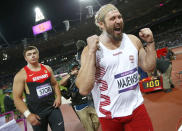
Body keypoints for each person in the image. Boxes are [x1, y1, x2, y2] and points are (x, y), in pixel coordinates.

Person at [76, 4, 156, 131]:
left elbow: (149, 67)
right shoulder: (91, 49)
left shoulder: (133, 40)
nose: (118, 21)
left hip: (136, 109)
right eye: (112, 18)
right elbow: (84, 89)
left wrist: (150, 43)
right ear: (101, 24)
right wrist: (91, 52)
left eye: (120, 17)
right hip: (109, 116)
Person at [13, 46, 64, 131]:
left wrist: (58, 96)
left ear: (38, 55)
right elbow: (17, 98)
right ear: (25, 58)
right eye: (29, 54)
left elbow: (55, 84)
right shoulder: (21, 75)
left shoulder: (47, 68)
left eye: (34, 53)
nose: (32, 56)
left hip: (53, 109)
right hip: (36, 114)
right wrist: (28, 114)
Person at [60, 62, 100, 131]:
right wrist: (71, 74)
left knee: (97, 121)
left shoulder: (85, 75)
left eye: (77, 68)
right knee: (88, 127)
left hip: (90, 102)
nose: (76, 69)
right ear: (71, 70)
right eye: (74, 68)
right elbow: (61, 83)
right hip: (79, 106)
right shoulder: (70, 80)